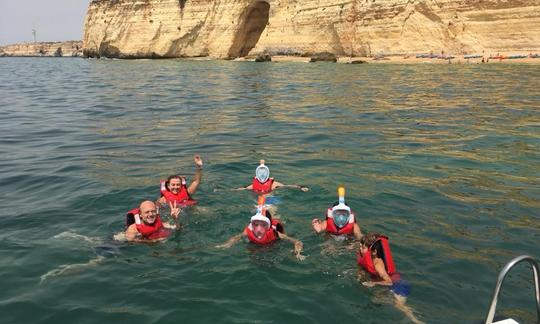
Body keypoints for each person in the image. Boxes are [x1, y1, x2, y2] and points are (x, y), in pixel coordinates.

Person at [357, 232, 424, 324]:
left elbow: (389, 282)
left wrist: (373, 283)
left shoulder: (378, 264)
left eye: (363, 247)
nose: (360, 249)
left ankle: (417, 321)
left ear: (374, 251)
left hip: (399, 286)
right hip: (394, 284)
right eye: (360, 246)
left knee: (400, 306)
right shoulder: (370, 259)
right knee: (377, 299)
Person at [216, 197, 306, 260]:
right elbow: (237, 237)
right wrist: (227, 244)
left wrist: (297, 252)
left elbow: (297, 241)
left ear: (268, 226)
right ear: (252, 224)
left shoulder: (276, 233)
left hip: (272, 229)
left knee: (274, 214)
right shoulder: (249, 230)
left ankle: (271, 202)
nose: (258, 229)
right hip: (261, 238)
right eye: (256, 224)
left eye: (263, 225)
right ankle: (263, 206)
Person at [230, 160, 309, 194]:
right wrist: (231, 190)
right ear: (257, 176)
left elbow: (287, 186)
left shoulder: (273, 184)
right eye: (260, 174)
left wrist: (301, 187)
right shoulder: (253, 185)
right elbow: (242, 189)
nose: (262, 176)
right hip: (261, 202)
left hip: (271, 200)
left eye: (263, 174)